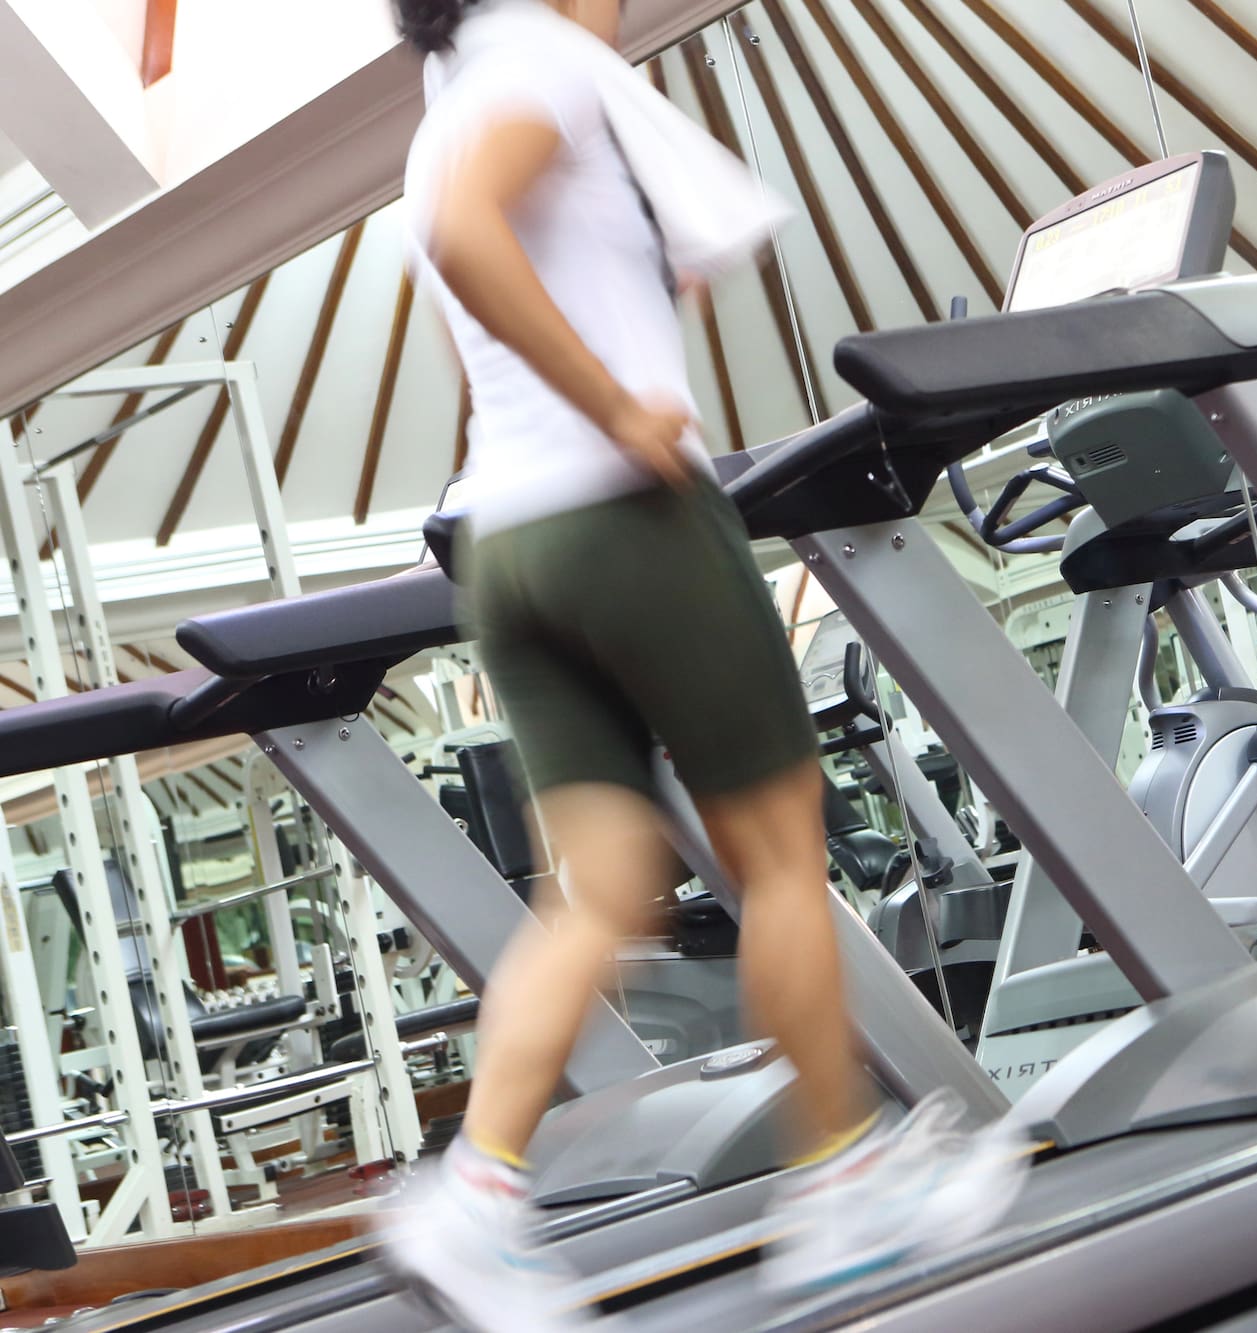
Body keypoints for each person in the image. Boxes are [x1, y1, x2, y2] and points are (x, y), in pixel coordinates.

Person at [380, 1, 1025, 1327]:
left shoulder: (445, 99)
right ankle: (848, 1187)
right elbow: (467, 238)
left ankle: (475, 1198)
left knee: (598, 892)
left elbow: (468, 292)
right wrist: (618, 407)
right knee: (780, 856)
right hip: (624, 517)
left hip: (508, 543)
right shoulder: (546, 60)